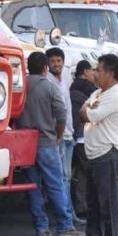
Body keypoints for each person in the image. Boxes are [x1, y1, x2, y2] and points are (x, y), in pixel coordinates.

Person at [66, 54, 118, 236]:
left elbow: (88, 114)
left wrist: (88, 109)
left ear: (110, 74)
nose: (95, 73)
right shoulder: (100, 92)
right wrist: (88, 108)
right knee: (93, 202)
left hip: (108, 155)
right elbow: (85, 107)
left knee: (108, 204)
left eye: (99, 70)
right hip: (95, 155)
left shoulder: (115, 95)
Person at [18, 52, 84, 236]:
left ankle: (41, 227)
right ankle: (65, 226)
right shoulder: (50, 88)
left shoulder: (20, 87)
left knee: (34, 187)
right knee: (56, 184)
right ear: (45, 68)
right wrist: (60, 134)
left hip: (25, 144)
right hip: (47, 142)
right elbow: (62, 114)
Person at [45, 48, 78, 224]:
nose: (56, 64)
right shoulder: (48, 82)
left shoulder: (66, 77)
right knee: (61, 178)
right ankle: (66, 218)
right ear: (48, 64)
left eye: (59, 61)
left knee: (67, 178)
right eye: (53, 62)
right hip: (57, 136)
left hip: (68, 134)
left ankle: (69, 213)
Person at [69, 60, 98, 217]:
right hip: (83, 137)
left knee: (80, 172)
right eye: (93, 70)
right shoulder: (89, 90)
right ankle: (86, 206)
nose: (95, 74)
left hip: (76, 135)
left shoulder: (73, 87)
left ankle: (80, 205)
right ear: (85, 72)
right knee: (89, 173)